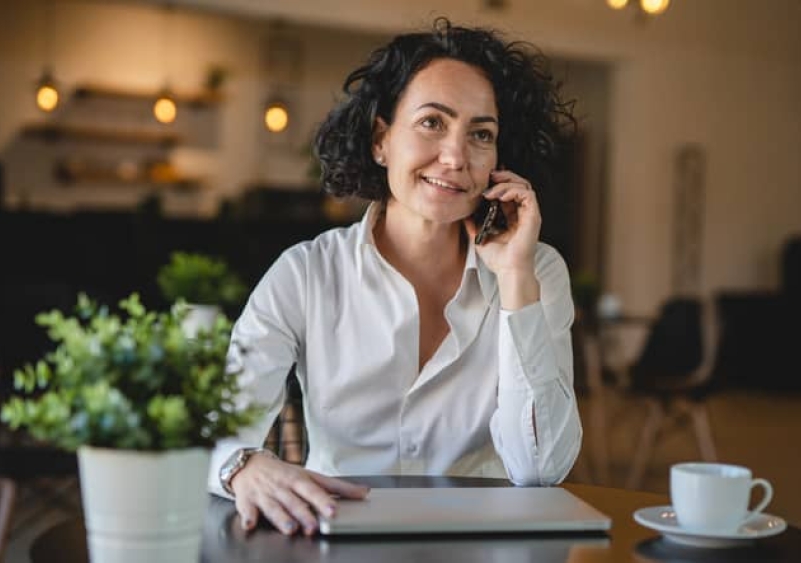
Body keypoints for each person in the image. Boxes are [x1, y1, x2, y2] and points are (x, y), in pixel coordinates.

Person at [208, 17, 582, 537]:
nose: (455, 157)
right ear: (381, 140)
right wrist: (243, 465)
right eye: (432, 122)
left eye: (481, 134)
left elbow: (542, 470)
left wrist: (515, 278)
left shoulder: (537, 270)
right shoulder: (305, 274)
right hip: (334, 537)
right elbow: (217, 433)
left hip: (483, 545)